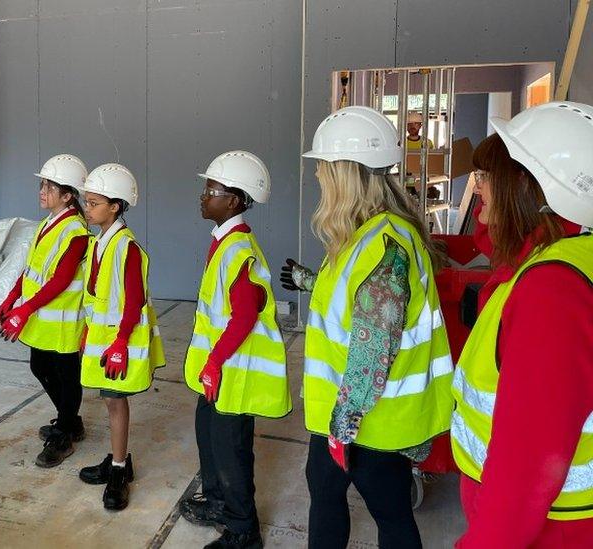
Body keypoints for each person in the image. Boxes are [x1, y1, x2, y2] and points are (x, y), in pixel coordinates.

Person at [288, 106, 453, 548]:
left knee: (390, 517)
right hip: (347, 415)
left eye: (323, 166)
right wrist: (309, 280)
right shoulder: (365, 234)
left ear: (344, 172)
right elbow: (356, 305)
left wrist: (343, 427)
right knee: (331, 500)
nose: (319, 175)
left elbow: (373, 349)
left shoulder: (383, 246)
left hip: (369, 423)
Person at [451, 101, 593, 548]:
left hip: (550, 531)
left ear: (529, 186)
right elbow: (496, 245)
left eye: (487, 177)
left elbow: (528, 463)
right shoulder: (559, 255)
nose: (478, 189)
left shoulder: (551, 289)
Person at [179, 151, 290, 549]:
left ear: (236, 201)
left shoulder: (239, 251)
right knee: (208, 439)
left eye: (212, 189)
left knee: (231, 454)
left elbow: (244, 315)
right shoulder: (224, 242)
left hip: (233, 374)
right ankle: (217, 503)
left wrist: (213, 362)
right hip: (218, 373)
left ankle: (244, 530)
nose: (203, 196)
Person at [75, 163, 165, 511]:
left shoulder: (125, 247)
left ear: (115, 206)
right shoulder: (100, 242)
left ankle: (119, 469)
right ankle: (118, 458)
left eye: (94, 202)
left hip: (117, 344)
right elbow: (97, 299)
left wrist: (119, 344)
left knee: (115, 402)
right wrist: (87, 332)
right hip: (102, 340)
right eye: (86, 201)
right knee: (109, 401)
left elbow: (133, 302)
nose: (87, 208)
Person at [0, 154, 90, 468]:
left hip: (62, 319)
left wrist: (25, 310)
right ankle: (70, 420)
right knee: (41, 368)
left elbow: (62, 278)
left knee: (66, 376)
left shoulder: (75, 231)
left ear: (68, 195)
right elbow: (33, 269)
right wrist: (11, 299)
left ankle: (64, 432)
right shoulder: (49, 224)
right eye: (42, 184)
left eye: (50, 187)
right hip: (42, 316)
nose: (42, 191)